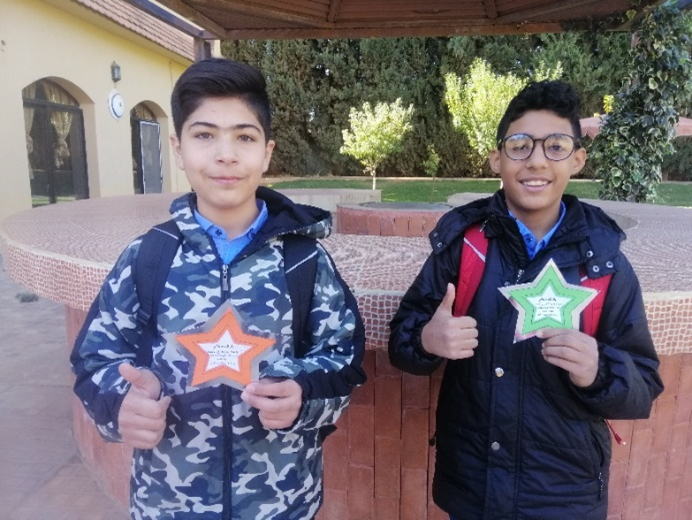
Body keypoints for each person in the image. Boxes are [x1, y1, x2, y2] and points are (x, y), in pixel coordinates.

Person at [71, 58, 366, 520]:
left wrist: (303, 394)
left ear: (267, 152)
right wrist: (118, 402)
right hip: (168, 503)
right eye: (204, 135)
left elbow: (343, 360)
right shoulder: (149, 257)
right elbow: (95, 359)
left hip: (281, 502)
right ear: (178, 147)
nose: (225, 154)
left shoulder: (303, 260)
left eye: (244, 137)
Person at [388, 80, 663, 520]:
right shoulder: (464, 247)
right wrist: (425, 340)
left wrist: (599, 369)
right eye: (520, 145)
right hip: (473, 487)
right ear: (497, 158)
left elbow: (643, 389)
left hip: (563, 495)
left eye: (555, 146)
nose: (536, 160)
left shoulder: (604, 264)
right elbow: (401, 342)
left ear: (577, 159)